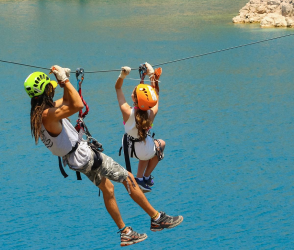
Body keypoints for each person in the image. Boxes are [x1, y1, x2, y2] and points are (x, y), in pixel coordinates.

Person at [23, 65, 183, 247]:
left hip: (76, 161)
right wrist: (66, 81)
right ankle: (157, 218)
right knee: (128, 178)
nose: (53, 89)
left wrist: (63, 82)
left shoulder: (39, 113)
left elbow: (67, 99)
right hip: (86, 156)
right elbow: (77, 105)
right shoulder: (48, 115)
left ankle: (126, 233)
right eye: (50, 87)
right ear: (45, 90)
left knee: (108, 189)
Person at [115, 62, 165, 192]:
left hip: (131, 150)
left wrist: (122, 76)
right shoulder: (150, 114)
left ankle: (141, 178)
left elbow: (118, 89)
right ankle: (144, 177)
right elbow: (156, 97)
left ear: (134, 98)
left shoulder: (127, 112)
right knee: (161, 144)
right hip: (146, 150)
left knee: (145, 147)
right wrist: (151, 75)